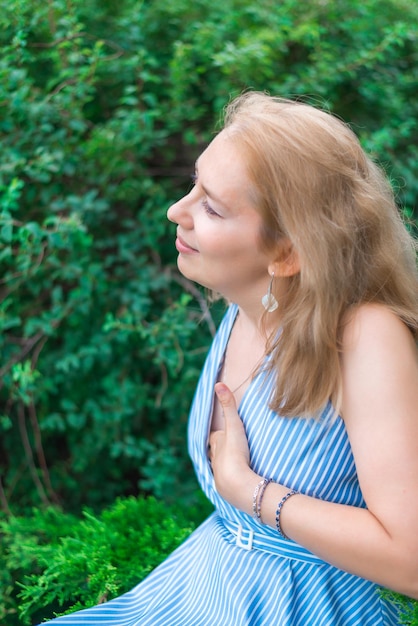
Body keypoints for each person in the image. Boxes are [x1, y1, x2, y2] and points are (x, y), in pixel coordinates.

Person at [41, 92, 418, 625]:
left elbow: (411, 561)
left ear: (288, 252)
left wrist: (250, 491)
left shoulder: (364, 337)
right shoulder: (247, 307)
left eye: (212, 207)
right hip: (202, 588)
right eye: (194, 185)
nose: (177, 211)